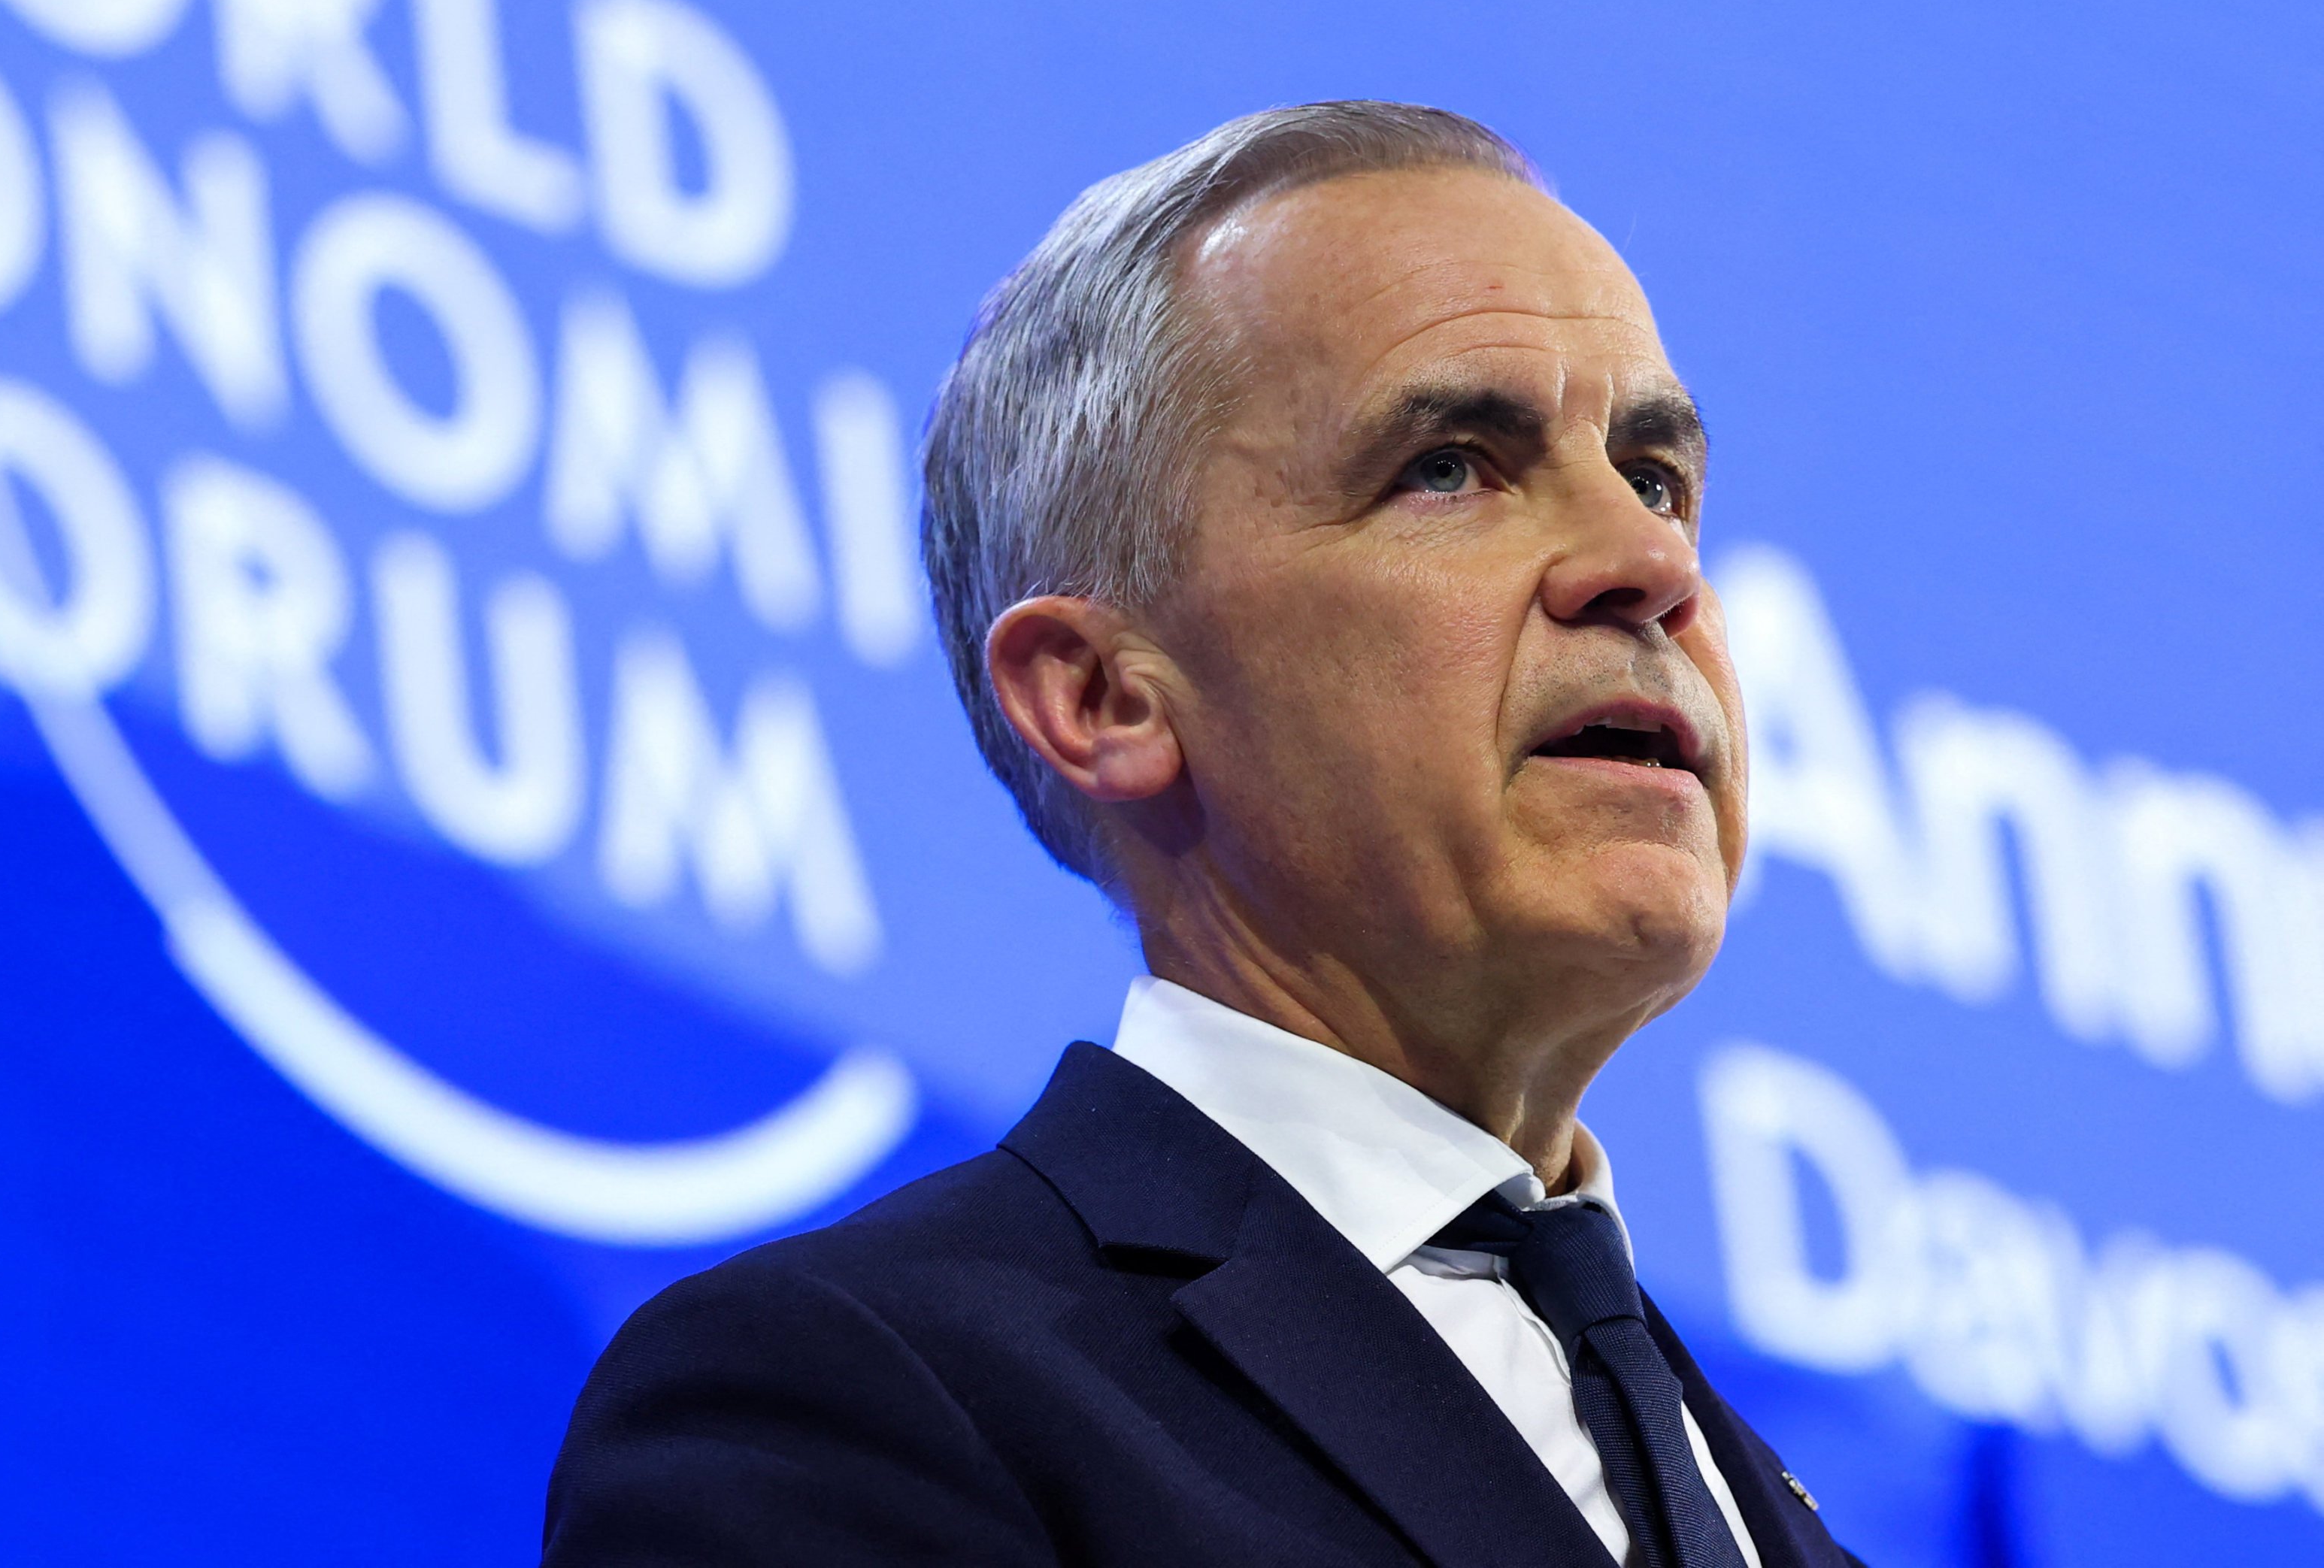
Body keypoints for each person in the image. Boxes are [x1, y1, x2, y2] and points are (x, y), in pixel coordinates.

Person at [541, 103, 1859, 1567]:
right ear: (1101, 697)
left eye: (1655, 478)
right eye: (1449, 467)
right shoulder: (856, 1393)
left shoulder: (1766, 1511)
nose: (1649, 565)